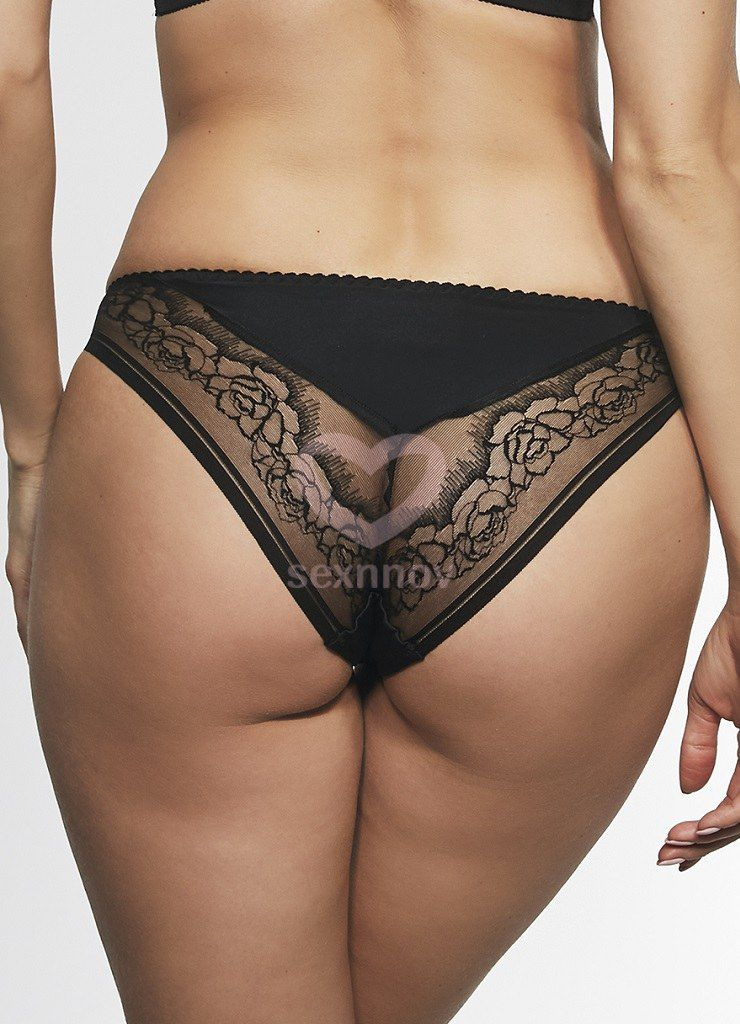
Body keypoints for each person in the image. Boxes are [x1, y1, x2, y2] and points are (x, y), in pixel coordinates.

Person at [1, 2, 738, 1022]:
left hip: (203, 378)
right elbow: (681, 164)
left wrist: (34, 452)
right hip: (573, 412)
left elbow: (7, 71)